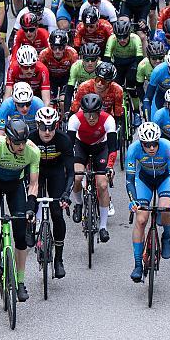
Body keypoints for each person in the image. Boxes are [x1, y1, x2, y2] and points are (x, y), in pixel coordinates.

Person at [0, 119, 40, 302]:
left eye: (23, 142)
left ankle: (20, 282)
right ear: (8, 140)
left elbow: (34, 183)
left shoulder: (32, 151)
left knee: (21, 236)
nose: (21, 147)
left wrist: (31, 206)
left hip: (15, 186)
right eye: (17, 143)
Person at [126, 122, 170, 282]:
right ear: (141, 143)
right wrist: (133, 201)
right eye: (147, 145)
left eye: (154, 144)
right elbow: (129, 180)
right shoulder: (133, 149)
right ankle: (137, 264)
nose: (151, 148)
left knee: (166, 208)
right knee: (141, 219)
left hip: (165, 179)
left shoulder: (168, 148)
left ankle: (167, 236)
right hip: (144, 179)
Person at [30, 107, 75, 279]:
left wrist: (66, 194)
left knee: (57, 213)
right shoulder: (30, 139)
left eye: (51, 127)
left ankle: (59, 259)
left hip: (56, 172)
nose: (47, 132)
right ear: (37, 125)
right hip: (37, 172)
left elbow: (70, 172)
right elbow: (24, 166)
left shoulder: (63, 140)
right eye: (43, 127)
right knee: (31, 204)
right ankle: (30, 228)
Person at [67, 94, 118, 242]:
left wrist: (109, 167)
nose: (91, 117)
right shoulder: (75, 119)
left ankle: (103, 226)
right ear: (83, 111)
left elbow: (113, 148)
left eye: (94, 113)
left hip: (100, 148)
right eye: (87, 113)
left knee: (102, 185)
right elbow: (69, 147)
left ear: (99, 111)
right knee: (77, 177)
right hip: (81, 146)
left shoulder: (108, 120)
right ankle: (78, 203)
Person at [103, 20, 143, 125]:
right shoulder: (112, 39)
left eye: (125, 37)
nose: (122, 40)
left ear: (129, 33)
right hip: (118, 64)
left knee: (131, 84)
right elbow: (107, 59)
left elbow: (139, 60)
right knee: (115, 88)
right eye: (119, 37)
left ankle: (136, 112)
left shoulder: (135, 39)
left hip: (132, 63)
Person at [39, 30, 77, 111]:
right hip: (51, 79)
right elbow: (41, 72)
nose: (57, 51)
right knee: (50, 104)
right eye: (54, 47)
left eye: (60, 47)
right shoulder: (44, 54)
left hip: (66, 78)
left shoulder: (72, 53)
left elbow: (75, 72)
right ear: (50, 46)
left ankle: (64, 120)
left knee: (63, 102)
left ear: (66, 46)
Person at [65, 42, 101, 107]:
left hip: (98, 93)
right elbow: (69, 91)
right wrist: (67, 111)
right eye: (87, 59)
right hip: (81, 92)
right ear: (82, 58)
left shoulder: (102, 67)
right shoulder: (76, 66)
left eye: (93, 59)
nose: (90, 63)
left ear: (98, 59)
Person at [136, 41, 166, 107]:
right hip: (153, 88)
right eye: (154, 58)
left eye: (160, 57)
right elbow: (139, 86)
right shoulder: (142, 65)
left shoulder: (168, 62)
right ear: (148, 58)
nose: (158, 61)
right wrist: (144, 102)